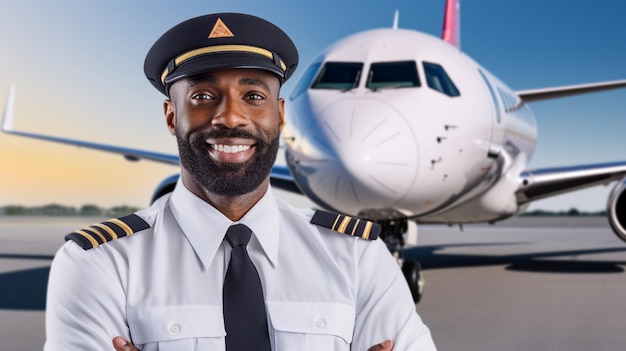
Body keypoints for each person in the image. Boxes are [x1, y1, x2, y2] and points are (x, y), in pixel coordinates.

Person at [44, 13, 437, 351]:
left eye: (252, 95)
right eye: (202, 96)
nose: (230, 118)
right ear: (170, 117)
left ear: (280, 114)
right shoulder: (99, 262)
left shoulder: (357, 256)